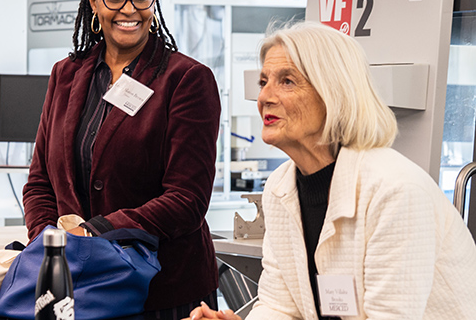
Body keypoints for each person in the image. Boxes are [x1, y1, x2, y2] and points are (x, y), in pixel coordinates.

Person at [190, 22, 476, 320]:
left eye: (287, 81)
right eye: (264, 82)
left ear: (334, 94)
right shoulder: (280, 187)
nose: (264, 97)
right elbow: (280, 306)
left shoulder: (395, 190)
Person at [22, 0, 222, 319]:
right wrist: (51, 248)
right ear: (93, 1)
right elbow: (40, 182)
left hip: (162, 291)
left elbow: (187, 200)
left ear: (154, 0)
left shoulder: (186, 79)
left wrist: (94, 232)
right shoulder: (66, 75)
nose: (129, 10)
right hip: (80, 286)